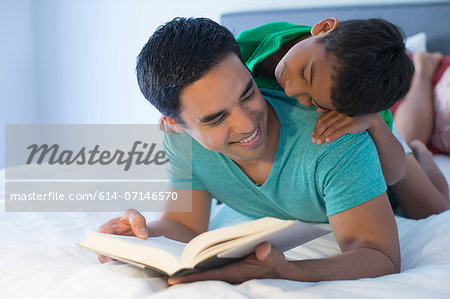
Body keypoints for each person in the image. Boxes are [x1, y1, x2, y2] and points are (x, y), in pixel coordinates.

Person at [99, 17, 400, 284]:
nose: (246, 124)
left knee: (421, 184)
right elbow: (184, 224)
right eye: (216, 118)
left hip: (392, 182)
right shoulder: (181, 141)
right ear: (175, 124)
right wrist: (138, 236)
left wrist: (290, 271)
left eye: (249, 93)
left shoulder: (335, 138)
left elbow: (380, 255)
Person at [235, 18, 449, 219]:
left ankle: (422, 152)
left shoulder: (365, 107)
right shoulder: (252, 44)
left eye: (311, 100)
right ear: (324, 27)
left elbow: (394, 175)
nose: (291, 90)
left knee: (432, 209)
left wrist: (373, 123)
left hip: (383, 147)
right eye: (306, 72)